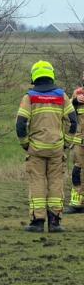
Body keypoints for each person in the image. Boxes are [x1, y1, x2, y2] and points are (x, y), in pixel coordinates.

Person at [16, 61, 78, 232]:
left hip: (35, 149)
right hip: (57, 149)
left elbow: (21, 124)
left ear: (34, 76)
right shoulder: (62, 96)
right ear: (51, 75)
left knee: (37, 183)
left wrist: (25, 144)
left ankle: (37, 222)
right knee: (56, 183)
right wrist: (66, 142)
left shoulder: (29, 97)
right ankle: (55, 222)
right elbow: (73, 122)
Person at [66, 85, 84, 213]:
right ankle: (77, 204)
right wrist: (75, 101)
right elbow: (67, 110)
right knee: (77, 172)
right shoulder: (77, 92)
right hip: (79, 143)